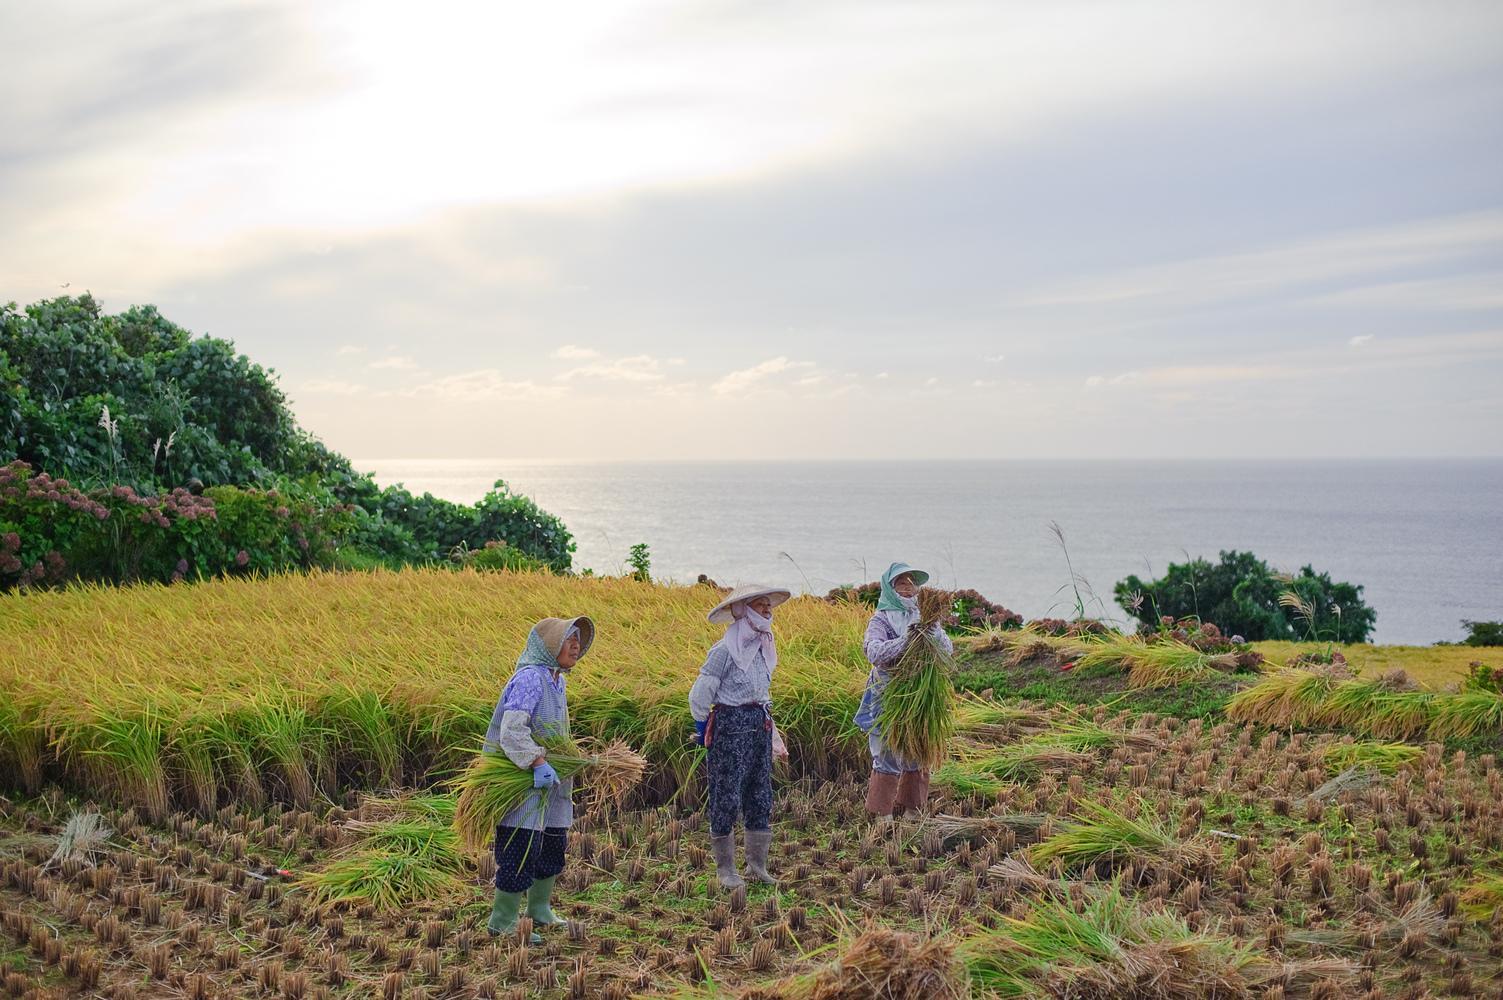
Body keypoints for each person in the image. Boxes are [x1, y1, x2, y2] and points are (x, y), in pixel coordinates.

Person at [483, 615, 595, 942]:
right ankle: (502, 921)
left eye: (578, 640)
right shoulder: (530, 678)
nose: (576, 646)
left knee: (551, 845)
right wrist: (537, 761)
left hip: (550, 780)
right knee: (521, 847)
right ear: (548, 647)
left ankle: (539, 910)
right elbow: (512, 731)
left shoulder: (557, 679)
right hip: (523, 780)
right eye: (567, 639)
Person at [689, 583, 791, 889]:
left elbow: (761, 691)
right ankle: (726, 871)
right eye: (760, 606)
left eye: (767, 606)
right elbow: (701, 692)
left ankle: (757, 866)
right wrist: (700, 725)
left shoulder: (763, 646)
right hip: (730, 725)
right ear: (744, 611)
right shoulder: (723, 650)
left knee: (760, 793)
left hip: (758, 722)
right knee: (726, 795)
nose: (767, 611)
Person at [853, 562, 952, 819]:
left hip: (921, 695)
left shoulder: (925, 618)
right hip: (888, 695)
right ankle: (881, 814)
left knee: (917, 749)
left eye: (912, 583)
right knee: (886, 751)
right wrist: (907, 640)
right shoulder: (882, 619)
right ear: (889, 588)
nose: (908, 588)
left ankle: (912, 810)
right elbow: (873, 652)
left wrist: (932, 634)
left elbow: (947, 652)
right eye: (901, 582)